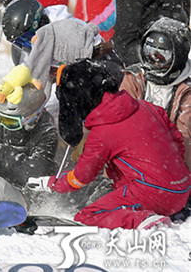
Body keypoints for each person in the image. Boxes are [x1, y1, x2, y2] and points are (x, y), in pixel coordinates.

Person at [28, 59, 191, 229]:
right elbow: (177, 139)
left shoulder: (103, 132)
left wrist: (50, 183)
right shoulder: (145, 106)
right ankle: (144, 207)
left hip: (155, 194)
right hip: (183, 188)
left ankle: (142, 219)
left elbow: (81, 178)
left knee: (87, 216)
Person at [120, 17, 191, 169]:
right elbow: (120, 121)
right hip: (131, 158)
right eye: (150, 53)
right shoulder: (134, 77)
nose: (155, 61)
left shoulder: (186, 89)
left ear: (178, 55)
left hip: (172, 164)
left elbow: (184, 136)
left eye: (162, 56)